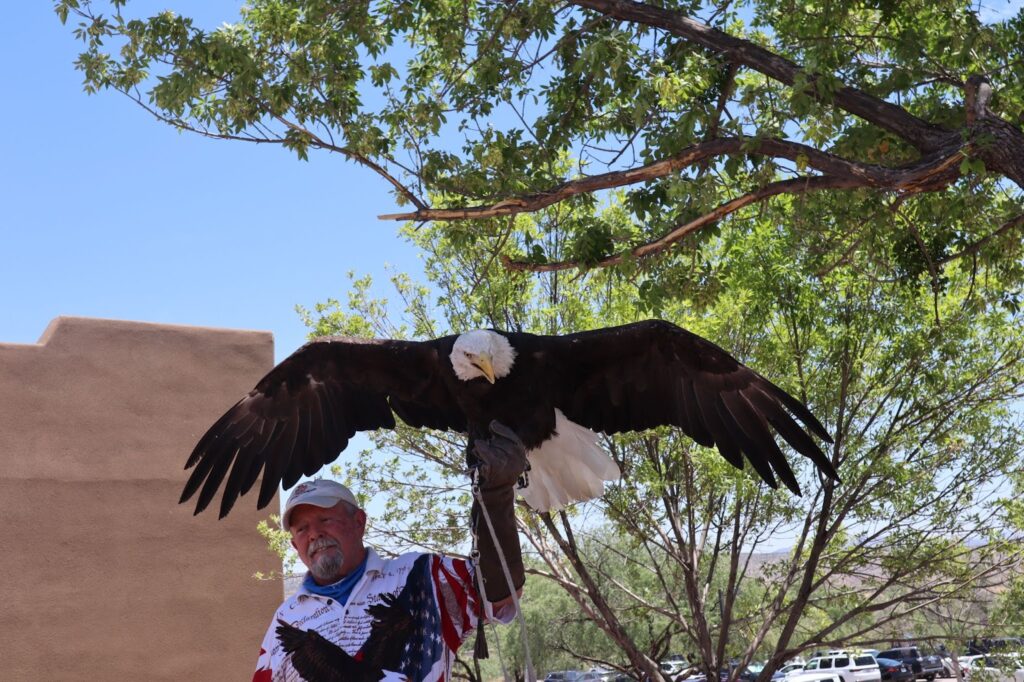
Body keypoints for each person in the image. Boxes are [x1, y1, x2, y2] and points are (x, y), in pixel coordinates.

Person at [252, 421, 527, 682]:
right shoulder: (286, 618)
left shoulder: (423, 575)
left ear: (359, 522)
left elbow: (499, 593)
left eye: (325, 520)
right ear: (294, 545)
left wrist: (495, 496)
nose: (314, 534)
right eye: (302, 529)